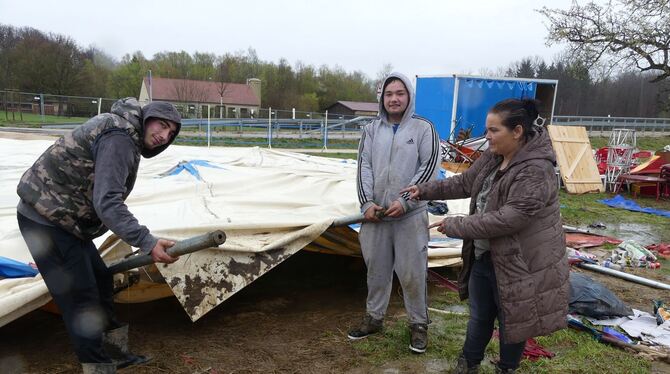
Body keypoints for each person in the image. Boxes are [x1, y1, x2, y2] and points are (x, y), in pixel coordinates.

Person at [401, 98, 569, 373]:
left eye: (493, 130)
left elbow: (509, 218)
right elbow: (465, 182)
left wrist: (456, 226)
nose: (487, 136)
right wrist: (425, 189)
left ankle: (506, 368)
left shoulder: (536, 170)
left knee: (512, 321)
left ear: (516, 131)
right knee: (479, 317)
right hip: (484, 254)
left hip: (521, 262)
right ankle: (467, 365)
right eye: (486, 130)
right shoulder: (494, 156)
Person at [16, 97, 182, 373]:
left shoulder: (124, 131)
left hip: (66, 219)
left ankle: (116, 354)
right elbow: (108, 203)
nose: (164, 136)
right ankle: (98, 366)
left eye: (171, 134)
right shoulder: (119, 138)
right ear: (147, 117)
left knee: (102, 280)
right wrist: (147, 242)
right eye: (162, 125)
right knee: (81, 296)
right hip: (44, 218)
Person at [348, 72, 439, 353]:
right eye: (389, 94)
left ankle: (418, 324)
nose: (394, 99)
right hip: (376, 215)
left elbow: (429, 166)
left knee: (412, 272)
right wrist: (366, 204)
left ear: (409, 96)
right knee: (376, 270)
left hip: (409, 215)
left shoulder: (423, 129)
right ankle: (374, 318)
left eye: (400, 93)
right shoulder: (371, 130)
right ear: (382, 99)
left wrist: (406, 201)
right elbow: (363, 167)